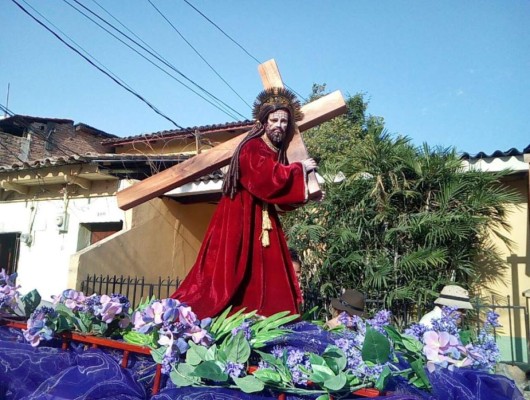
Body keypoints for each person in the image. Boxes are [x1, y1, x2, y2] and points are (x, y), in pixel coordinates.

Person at [170, 88, 321, 319]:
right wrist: (300, 168)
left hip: (261, 215)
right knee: (231, 269)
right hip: (240, 215)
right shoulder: (252, 147)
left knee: (267, 269)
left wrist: (308, 192)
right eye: (274, 120)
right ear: (263, 122)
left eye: (284, 121)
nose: (279, 125)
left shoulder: (273, 151)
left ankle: (267, 316)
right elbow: (266, 178)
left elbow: (277, 194)